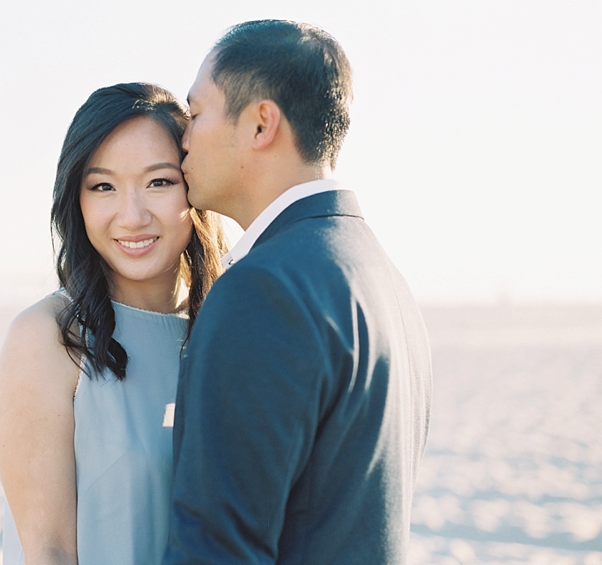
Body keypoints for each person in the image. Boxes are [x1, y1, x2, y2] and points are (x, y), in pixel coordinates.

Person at [163, 20, 433, 564]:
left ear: (261, 123)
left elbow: (218, 548)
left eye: (194, 114)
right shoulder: (384, 280)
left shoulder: (262, 291)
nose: (182, 138)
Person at [0, 83, 226, 565]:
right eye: (103, 186)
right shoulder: (48, 337)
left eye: (159, 182)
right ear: (76, 199)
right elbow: (48, 553)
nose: (132, 216)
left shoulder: (226, 329)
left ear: (194, 188)